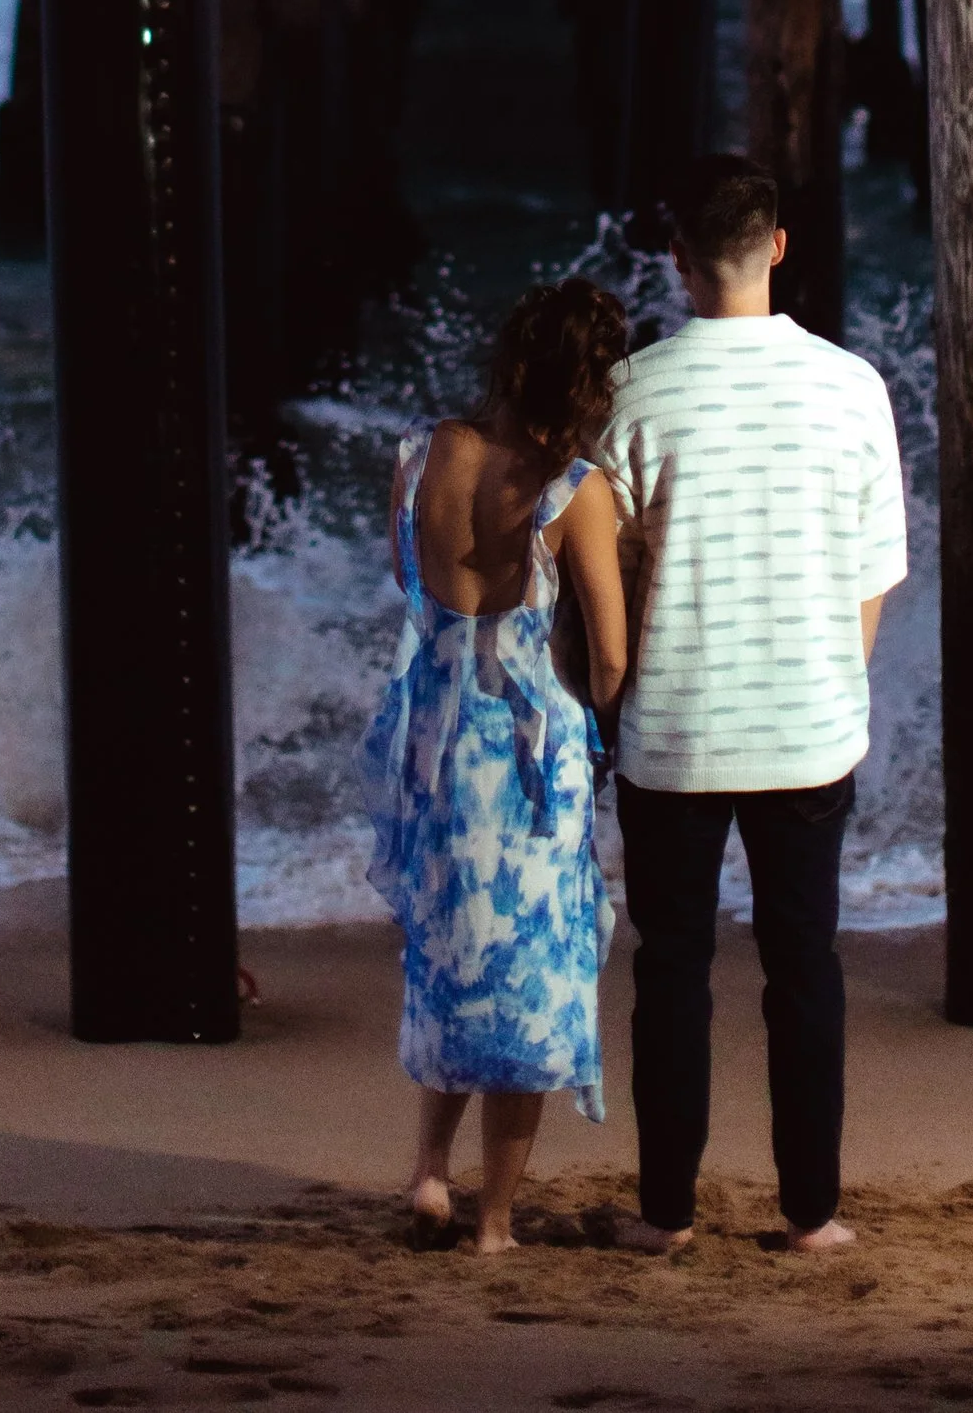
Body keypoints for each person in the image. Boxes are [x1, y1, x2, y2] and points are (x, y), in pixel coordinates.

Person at [592, 159, 908, 1256]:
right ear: (778, 246)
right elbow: (873, 577)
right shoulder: (853, 386)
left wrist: (614, 698)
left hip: (673, 727)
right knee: (804, 966)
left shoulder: (632, 389)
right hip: (808, 725)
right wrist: (829, 677)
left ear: (675, 259)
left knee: (670, 968)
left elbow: (610, 582)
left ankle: (664, 1213)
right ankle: (810, 1213)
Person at [360, 278, 631, 1255]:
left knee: (446, 960)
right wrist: (609, 728)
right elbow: (606, 658)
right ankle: (497, 1224)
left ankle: (431, 1176)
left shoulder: (420, 453)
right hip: (523, 759)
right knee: (527, 980)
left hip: (430, 745)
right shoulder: (573, 490)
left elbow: (407, 581)